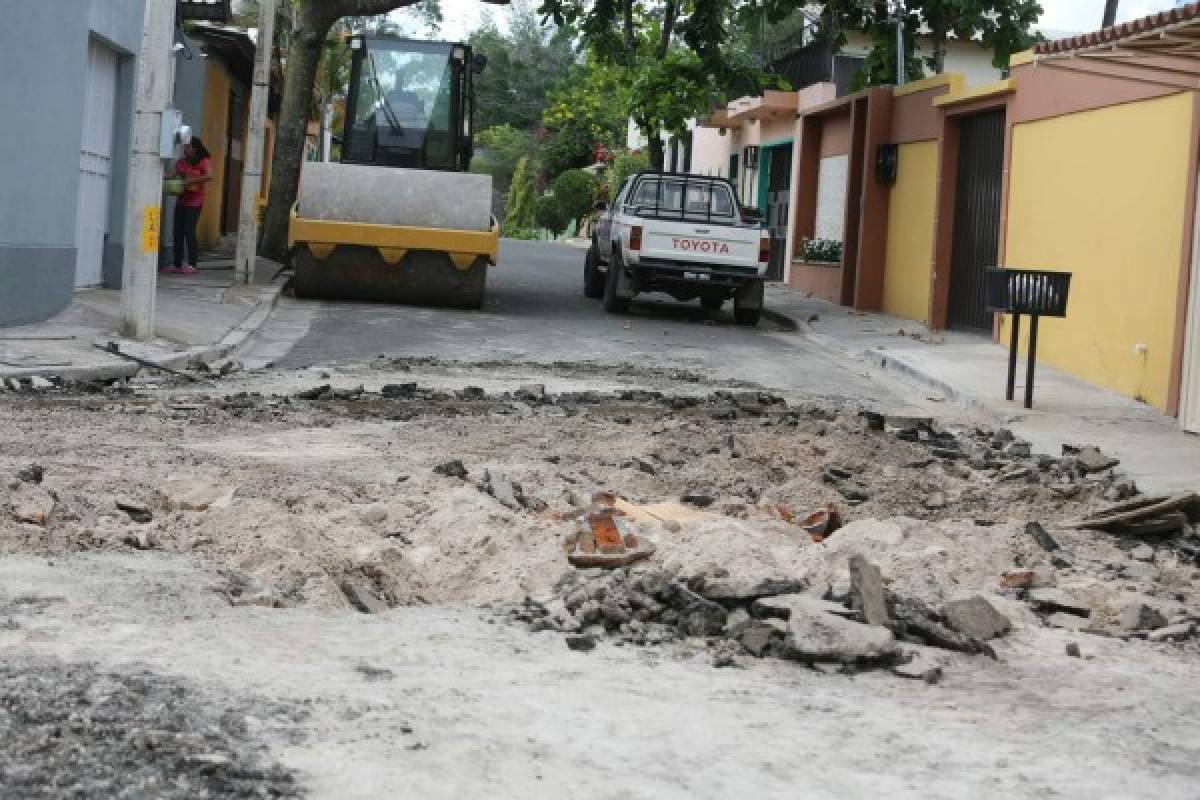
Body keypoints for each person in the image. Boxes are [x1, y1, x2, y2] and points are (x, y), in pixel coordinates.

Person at [164, 138, 212, 275]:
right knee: (177, 232)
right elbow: (170, 175)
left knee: (189, 231)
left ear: (196, 148)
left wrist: (190, 181)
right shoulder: (181, 162)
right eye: (185, 147)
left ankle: (192, 265)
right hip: (181, 201)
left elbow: (209, 175)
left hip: (195, 202)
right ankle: (177, 264)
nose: (185, 149)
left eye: (188, 147)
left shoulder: (204, 161)